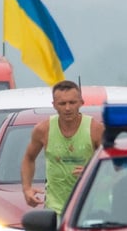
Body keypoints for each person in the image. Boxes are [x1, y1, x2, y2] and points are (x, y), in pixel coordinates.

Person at [21, 80, 105, 213]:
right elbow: (29, 158)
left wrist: (91, 172)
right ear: (54, 105)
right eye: (62, 103)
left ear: (81, 103)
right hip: (56, 209)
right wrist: (27, 188)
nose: (67, 108)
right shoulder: (43, 130)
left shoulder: (95, 129)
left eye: (72, 102)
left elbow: (113, 165)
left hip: (91, 208)